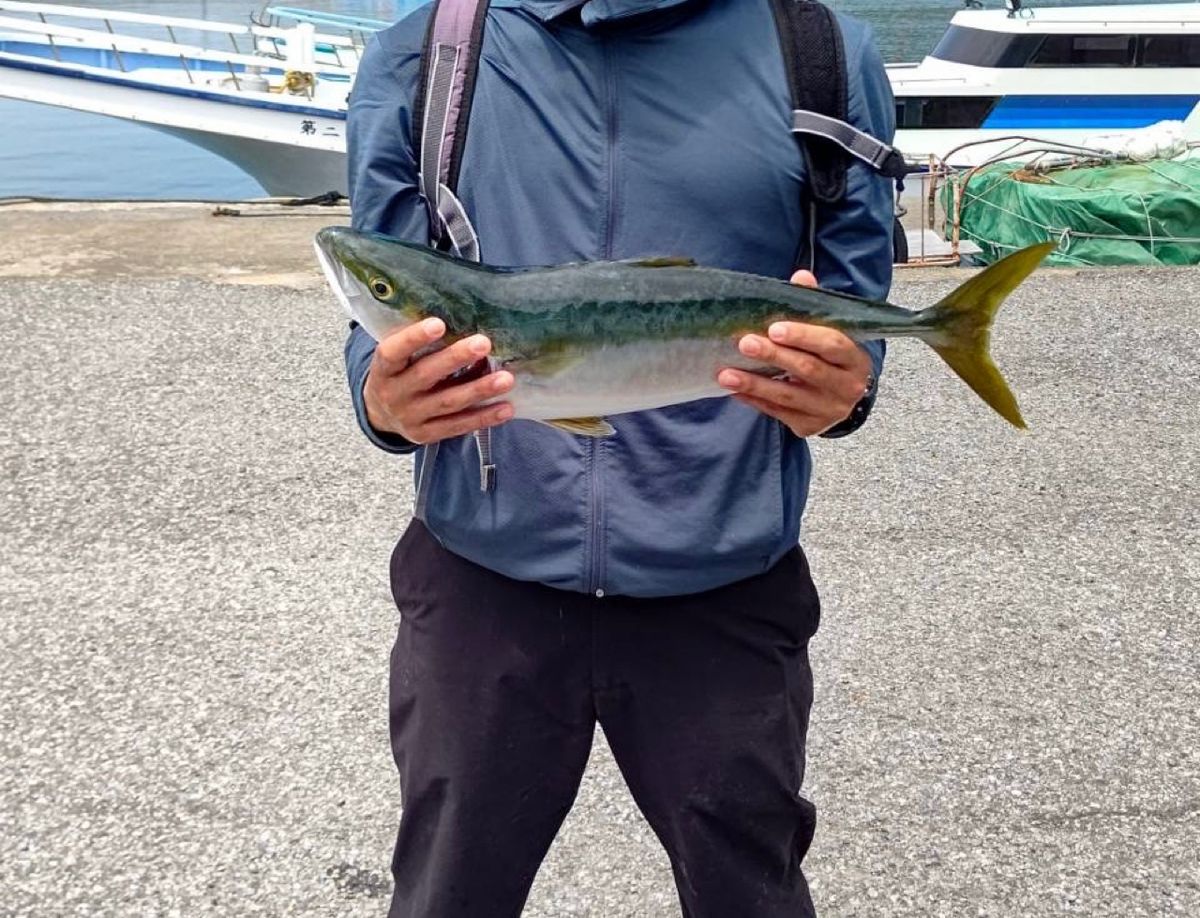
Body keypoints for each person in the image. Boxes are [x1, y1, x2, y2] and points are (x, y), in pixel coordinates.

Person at [343, 1, 895, 915]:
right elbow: (391, 280)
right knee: (448, 895)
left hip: (721, 581)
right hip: (484, 579)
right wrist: (383, 399)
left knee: (748, 896)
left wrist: (849, 384)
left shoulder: (822, 51)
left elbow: (851, 284)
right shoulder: (428, 50)